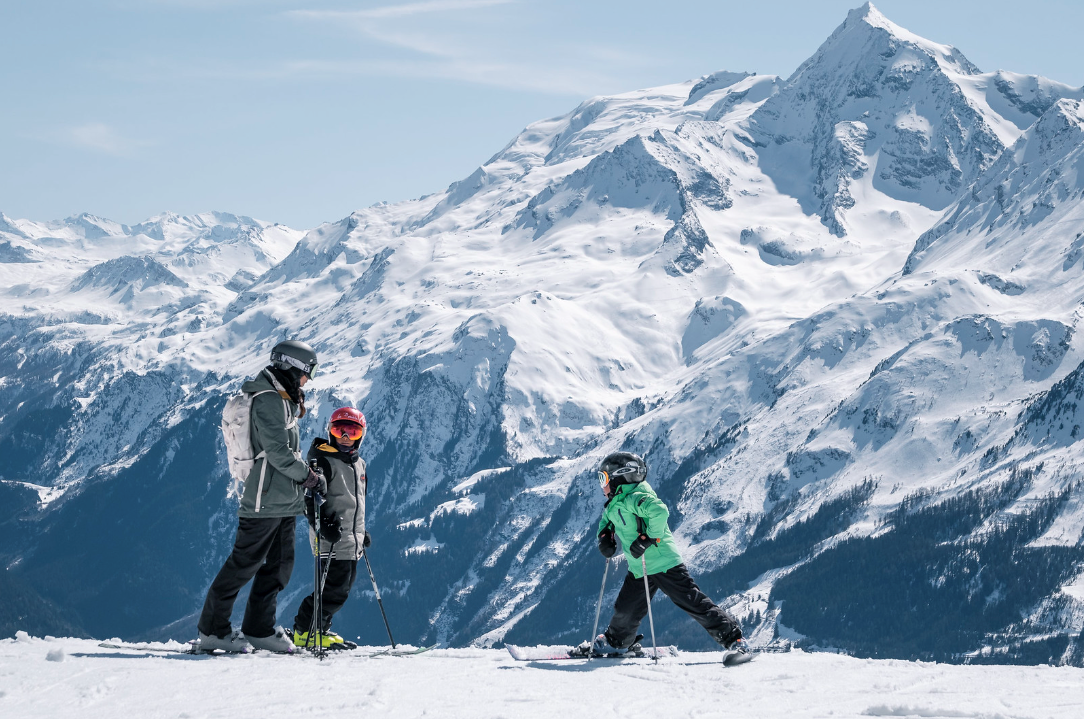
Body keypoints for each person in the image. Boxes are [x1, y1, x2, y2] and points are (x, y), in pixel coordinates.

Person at [197, 339, 323, 653]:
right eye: (307, 372)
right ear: (292, 367)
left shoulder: (282, 397)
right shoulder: (268, 398)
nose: (307, 380)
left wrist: (303, 475)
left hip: (284, 498)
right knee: (244, 563)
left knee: (280, 566)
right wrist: (308, 476)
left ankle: (258, 629)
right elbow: (278, 452)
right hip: (264, 498)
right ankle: (212, 630)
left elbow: (285, 451)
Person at [586, 451, 749, 657]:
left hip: (664, 563)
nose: (601, 485)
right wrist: (604, 536)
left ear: (620, 477)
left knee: (692, 602)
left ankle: (735, 639)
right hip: (639, 567)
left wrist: (647, 538)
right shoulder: (615, 502)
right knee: (625, 609)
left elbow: (660, 511)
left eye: (603, 478)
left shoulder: (636, 498)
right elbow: (607, 521)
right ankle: (618, 642)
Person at [292, 406, 370, 650]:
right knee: (333, 590)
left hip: (350, 539)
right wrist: (323, 525)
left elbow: (355, 503)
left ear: (361, 436)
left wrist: (361, 532)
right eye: (339, 431)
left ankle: (319, 628)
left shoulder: (359, 464)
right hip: (331, 537)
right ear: (330, 432)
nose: (345, 437)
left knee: (340, 589)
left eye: (352, 432)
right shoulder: (323, 461)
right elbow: (309, 499)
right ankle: (305, 632)